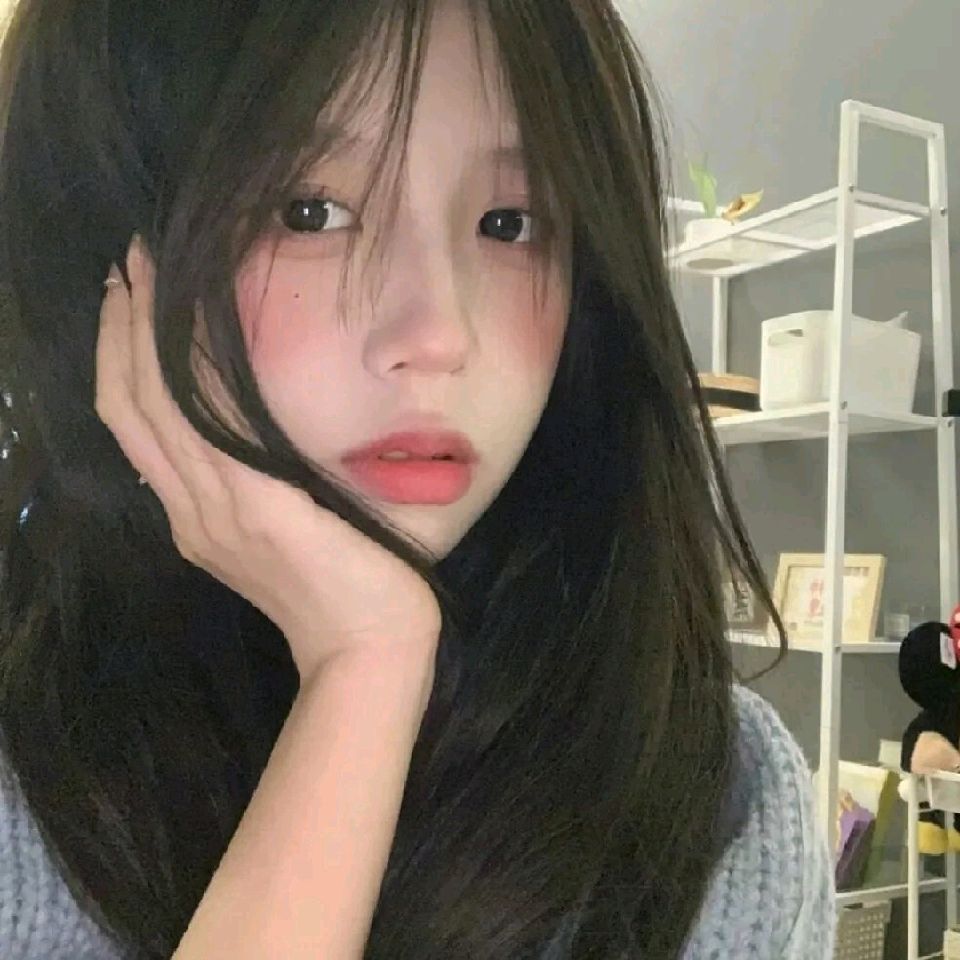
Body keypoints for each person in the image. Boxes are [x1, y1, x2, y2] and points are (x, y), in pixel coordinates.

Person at [0, 0, 836, 956]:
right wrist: (364, 668)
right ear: (101, 255)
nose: (441, 335)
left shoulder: (724, 807)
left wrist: (364, 660)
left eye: (509, 222)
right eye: (308, 211)